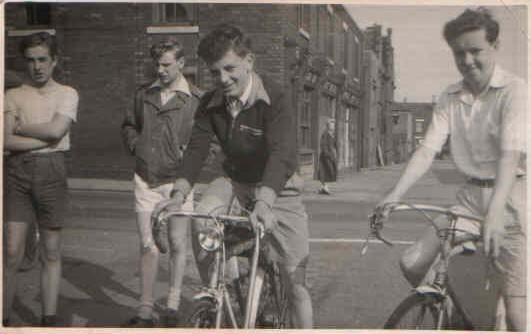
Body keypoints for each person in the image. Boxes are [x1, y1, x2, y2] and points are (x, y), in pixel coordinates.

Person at [153, 24, 313, 328]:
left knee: (297, 284)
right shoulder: (211, 104)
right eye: (215, 73)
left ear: (249, 61)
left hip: (279, 189)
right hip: (236, 183)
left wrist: (265, 203)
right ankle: (221, 289)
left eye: (230, 69)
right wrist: (177, 195)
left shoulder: (275, 98)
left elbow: (282, 155)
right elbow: (196, 151)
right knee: (202, 218)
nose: (223, 80)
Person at [376, 8, 526, 331]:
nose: (467, 60)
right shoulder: (450, 97)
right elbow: (427, 150)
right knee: (412, 263)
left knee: (517, 316)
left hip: (515, 199)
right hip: (470, 199)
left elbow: (509, 156)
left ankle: (500, 310)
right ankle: (459, 314)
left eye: (476, 51)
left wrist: (498, 211)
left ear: (495, 46)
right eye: (460, 53)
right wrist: (393, 195)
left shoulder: (515, 91)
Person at [121, 39, 202, 327]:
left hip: (179, 183)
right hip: (146, 179)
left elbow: (209, 142)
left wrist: (188, 156)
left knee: (178, 243)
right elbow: (129, 125)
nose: (160, 70)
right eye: (157, 64)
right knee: (148, 245)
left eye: (166, 64)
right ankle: (144, 309)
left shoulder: (196, 99)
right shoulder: (143, 94)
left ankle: (172, 303)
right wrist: (136, 145)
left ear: (181, 63)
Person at [3, 32, 79, 327]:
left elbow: (56, 131)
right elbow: (5, 141)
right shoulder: (12, 95)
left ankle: (48, 319)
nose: (37, 66)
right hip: (17, 173)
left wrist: (23, 129)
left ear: (54, 61)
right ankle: (4, 319)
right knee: (11, 251)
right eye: (31, 60)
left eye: (43, 59)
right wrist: (45, 138)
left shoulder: (67, 93)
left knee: (50, 249)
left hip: (52, 172)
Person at [318, 118, 337, 195]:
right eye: (331, 124)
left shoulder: (331, 134)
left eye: (333, 125)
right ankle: (325, 187)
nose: (333, 126)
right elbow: (323, 145)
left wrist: (335, 152)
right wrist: (327, 154)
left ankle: (323, 188)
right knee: (325, 171)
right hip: (325, 156)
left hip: (330, 155)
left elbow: (334, 144)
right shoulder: (325, 134)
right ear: (328, 126)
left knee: (329, 171)